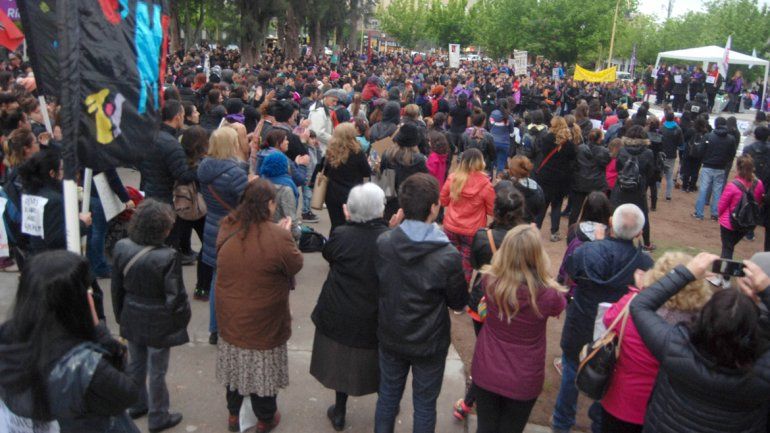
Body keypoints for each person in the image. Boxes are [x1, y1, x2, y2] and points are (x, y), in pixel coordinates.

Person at [0, 250, 140, 433]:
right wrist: (101, 333)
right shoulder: (84, 366)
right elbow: (129, 393)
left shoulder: (8, 339)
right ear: (75, 300)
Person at [629, 252, 770, 432]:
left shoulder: (675, 348)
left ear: (704, 317)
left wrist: (686, 273)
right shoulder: (763, 373)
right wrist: (765, 291)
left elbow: (640, 305)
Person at [374, 173, 468, 433]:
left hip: (392, 333)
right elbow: (458, 301)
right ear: (434, 207)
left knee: (387, 397)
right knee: (424, 405)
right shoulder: (448, 255)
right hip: (429, 341)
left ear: (403, 206)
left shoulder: (385, 242)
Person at [552, 204, 654, 433]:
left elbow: (570, 274)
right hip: (617, 333)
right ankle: (596, 423)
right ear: (639, 232)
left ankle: (561, 423)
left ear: (610, 223)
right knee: (611, 375)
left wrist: (597, 246)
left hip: (582, 322)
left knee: (571, 371)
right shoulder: (646, 265)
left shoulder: (587, 251)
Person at [215, 179, 303, 433]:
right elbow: (295, 264)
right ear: (270, 204)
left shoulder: (228, 226)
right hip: (264, 320)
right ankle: (265, 418)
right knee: (264, 373)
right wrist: (285, 234)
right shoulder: (278, 236)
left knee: (234, 371)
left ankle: (234, 416)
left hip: (230, 315)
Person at [600, 252, 712, 433]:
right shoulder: (702, 321)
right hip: (669, 411)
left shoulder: (632, 304)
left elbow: (608, 319)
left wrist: (639, 291)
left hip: (623, 401)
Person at [472, 225, 567, 433]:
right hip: (525, 376)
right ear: (537, 255)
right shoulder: (549, 295)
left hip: (487, 368)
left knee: (485, 428)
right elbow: (560, 306)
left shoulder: (489, 280)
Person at [310, 183, 389, 431]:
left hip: (340, 309)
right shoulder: (387, 238)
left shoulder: (342, 234)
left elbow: (329, 254)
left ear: (350, 210)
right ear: (380, 210)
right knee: (382, 364)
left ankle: (340, 412)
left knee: (341, 363)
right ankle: (388, 405)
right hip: (375, 313)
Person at [111, 199, 191, 433]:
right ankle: (158, 415)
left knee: (136, 364)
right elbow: (176, 297)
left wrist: (120, 315)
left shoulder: (122, 247)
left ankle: (137, 404)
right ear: (161, 229)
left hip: (131, 314)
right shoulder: (168, 256)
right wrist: (180, 322)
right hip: (159, 321)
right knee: (157, 370)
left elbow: (116, 287)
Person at [453, 181, 526, 421]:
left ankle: (470, 400)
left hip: (484, 300)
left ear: (496, 210)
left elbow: (475, 264)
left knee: (485, 349)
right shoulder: (527, 239)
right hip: (514, 300)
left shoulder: (483, 236)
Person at [197, 127, 249, 345]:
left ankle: (214, 328)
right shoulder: (234, 174)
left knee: (216, 279)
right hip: (233, 227)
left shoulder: (203, 168)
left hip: (212, 224)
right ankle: (231, 326)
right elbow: (246, 202)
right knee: (236, 280)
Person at [140, 100, 197, 247]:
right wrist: (199, 169)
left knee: (154, 238)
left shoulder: (150, 136)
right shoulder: (172, 144)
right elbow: (183, 175)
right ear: (177, 116)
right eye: (183, 115)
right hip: (166, 199)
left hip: (150, 192)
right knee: (167, 241)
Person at [17, 149, 92, 255]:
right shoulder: (54, 200)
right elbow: (56, 238)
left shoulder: (29, 193)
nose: (64, 173)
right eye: (61, 169)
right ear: (52, 173)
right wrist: (82, 224)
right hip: (54, 258)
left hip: (36, 254)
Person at [440, 148, 495, 282]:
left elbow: (443, 201)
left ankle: (445, 285)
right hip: (472, 231)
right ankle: (462, 289)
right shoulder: (486, 184)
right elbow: (491, 210)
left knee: (448, 258)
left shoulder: (453, 178)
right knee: (466, 264)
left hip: (451, 226)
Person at [176, 126, 211, 300]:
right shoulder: (202, 163)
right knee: (207, 245)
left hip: (183, 206)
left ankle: (181, 289)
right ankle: (202, 287)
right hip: (196, 206)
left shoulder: (179, 156)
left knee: (173, 247)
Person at [534, 116, 579, 242]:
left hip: (546, 176)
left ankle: (535, 231)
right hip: (561, 179)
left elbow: (542, 153)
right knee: (556, 205)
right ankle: (554, 233)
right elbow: (573, 160)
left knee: (543, 205)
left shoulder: (547, 139)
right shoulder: (569, 144)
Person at [611, 126, 655, 251]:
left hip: (621, 187)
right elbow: (650, 172)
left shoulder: (622, 150)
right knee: (643, 216)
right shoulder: (648, 153)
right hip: (638, 189)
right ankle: (647, 243)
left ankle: (612, 238)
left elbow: (617, 167)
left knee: (615, 213)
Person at [323, 122, 371, 233]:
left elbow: (325, 172)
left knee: (335, 224)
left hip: (332, 193)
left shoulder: (330, 152)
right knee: (351, 226)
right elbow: (366, 172)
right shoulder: (357, 152)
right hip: (352, 193)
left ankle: (333, 242)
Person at [717, 155, 764, 260]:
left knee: (727, 249)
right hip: (747, 222)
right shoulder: (759, 184)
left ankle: (725, 270)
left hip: (730, 222)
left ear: (738, 168)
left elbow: (722, 205)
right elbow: (759, 201)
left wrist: (720, 215)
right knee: (730, 246)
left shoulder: (732, 185)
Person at [379, 123, 429, 220]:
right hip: (411, 203)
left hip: (391, 202)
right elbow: (424, 183)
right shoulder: (419, 160)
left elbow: (385, 183)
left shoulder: (387, 155)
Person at [693, 117, 736, 221]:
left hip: (708, 166)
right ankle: (715, 214)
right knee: (717, 191)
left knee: (703, 189)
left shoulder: (709, 136)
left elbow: (700, 151)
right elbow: (732, 155)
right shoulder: (730, 139)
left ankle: (699, 213)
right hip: (721, 167)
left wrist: (704, 158)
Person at [569, 129, 610, 227]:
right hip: (596, 183)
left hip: (580, 182)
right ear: (599, 139)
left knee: (576, 208)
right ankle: (590, 228)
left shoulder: (580, 148)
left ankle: (571, 228)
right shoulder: (604, 151)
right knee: (594, 208)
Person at [259, 152, 301, 241]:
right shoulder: (286, 189)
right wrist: (298, 233)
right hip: (281, 237)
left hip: (261, 235)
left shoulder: (259, 185)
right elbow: (290, 220)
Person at [742, 126, 770, 250]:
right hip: (764, 182)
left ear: (755, 135)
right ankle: (750, 231)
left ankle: (746, 229)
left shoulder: (748, 148)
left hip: (750, 180)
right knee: (758, 206)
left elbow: (742, 164)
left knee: (746, 203)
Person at [503, 155, 545, 224]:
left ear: (512, 170)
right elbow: (540, 207)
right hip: (528, 224)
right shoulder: (537, 187)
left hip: (510, 224)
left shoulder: (509, 188)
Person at [461, 109, 496, 177]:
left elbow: (461, 150)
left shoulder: (464, 134)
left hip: (468, 165)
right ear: (483, 121)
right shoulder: (488, 136)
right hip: (483, 167)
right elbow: (493, 155)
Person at [660, 111, 683, 202]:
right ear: (673, 118)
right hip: (671, 155)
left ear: (665, 118)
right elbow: (681, 144)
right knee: (669, 176)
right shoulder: (678, 129)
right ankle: (668, 196)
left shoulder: (661, 128)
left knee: (659, 176)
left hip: (661, 155)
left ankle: (655, 194)